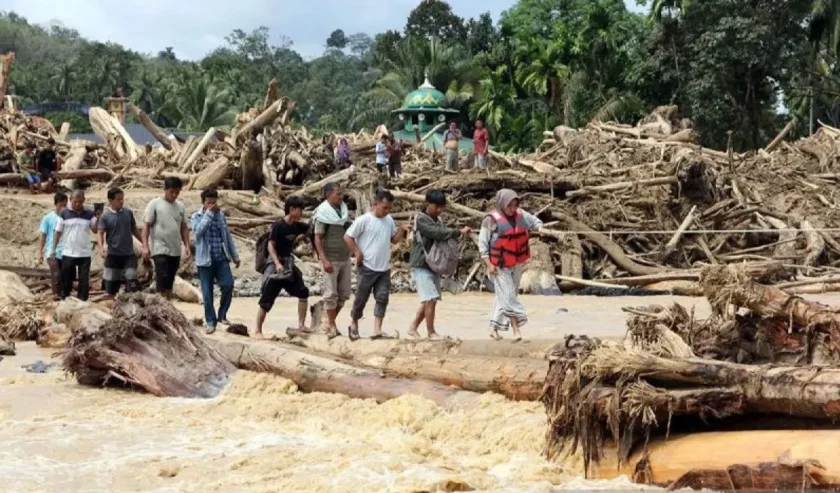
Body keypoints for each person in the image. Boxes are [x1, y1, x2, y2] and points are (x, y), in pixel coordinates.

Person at [344, 188, 409, 341]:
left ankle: (377, 329)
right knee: (361, 297)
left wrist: (401, 230)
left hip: (384, 267)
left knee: (382, 297)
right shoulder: (363, 220)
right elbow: (347, 237)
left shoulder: (389, 220)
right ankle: (354, 324)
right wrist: (357, 253)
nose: (387, 211)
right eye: (384, 207)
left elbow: (393, 240)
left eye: (389, 208)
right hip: (367, 266)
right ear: (375, 204)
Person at [479, 189, 543, 342]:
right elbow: (482, 244)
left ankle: (492, 328)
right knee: (508, 295)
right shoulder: (490, 220)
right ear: (502, 204)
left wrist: (540, 228)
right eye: (510, 206)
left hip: (516, 263)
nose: (513, 209)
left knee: (506, 296)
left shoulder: (521, 215)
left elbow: (534, 221)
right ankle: (516, 330)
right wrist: (489, 264)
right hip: (498, 265)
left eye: (515, 205)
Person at [407, 189, 471, 340]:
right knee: (430, 299)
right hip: (421, 263)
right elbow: (437, 233)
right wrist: (458, 232)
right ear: (428, 204)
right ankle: (431, 333)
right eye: (437, 207)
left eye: (442, 207)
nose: (440, 210)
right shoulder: (421, 219)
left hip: (433, 264)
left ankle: (413, 328)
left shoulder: (438, 219)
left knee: (431, 298)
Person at [255, 196, 310, 339]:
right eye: (300, 209)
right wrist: (277, 264)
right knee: (267, 297)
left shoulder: (297, 226)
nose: (302, 212)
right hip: (276, 264)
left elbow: (311, 228)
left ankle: (301, 324)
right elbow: (270, 245)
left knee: (303, 292)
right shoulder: (278, 225)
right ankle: (257, 330)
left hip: (289, 264)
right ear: (291, 209)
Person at [191, 188, 240, 334]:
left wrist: (235, 256)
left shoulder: (221, 216)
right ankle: (210, 322)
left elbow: (227, 237)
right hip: (204, 261)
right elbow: (198, 233)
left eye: (214, 202)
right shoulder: (197, 216)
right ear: (203, 203)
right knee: (207, 294)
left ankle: (222, 315)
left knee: (228, 285)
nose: (212, 205)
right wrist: (208, 215)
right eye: (208, 203)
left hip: (220, 258)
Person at [313, 182, 352, 338]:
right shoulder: (323, 213)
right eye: (337, 194)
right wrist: (324, 259)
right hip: (331, 258)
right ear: (328, 194)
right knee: (330, 294)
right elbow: (318, 238)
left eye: (341, 193)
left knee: (344, 294)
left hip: (345, 257)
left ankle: (329, 322)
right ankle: (331, 325)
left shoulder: (343, 211)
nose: (340, 196)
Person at [142, 177, 191, 298]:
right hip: (160, 248)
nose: (174, 195)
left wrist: (187, 245)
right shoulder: (155, 204)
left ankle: (166, 304)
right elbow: (146, 226)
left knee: (170, 280)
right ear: (165, 189)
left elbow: (184, 227)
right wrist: (145, 246)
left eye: (177, 192)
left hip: (175, 249)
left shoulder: (180, 206)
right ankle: (159, 303)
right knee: (162, 277)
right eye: (172, 192)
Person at [53, 189, 99, 301]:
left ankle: (82, 301)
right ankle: (65, 299)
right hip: (68, 252)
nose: (77, 204)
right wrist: (53, 248)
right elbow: (58, 232)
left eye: (80, 202)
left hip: (84, 253)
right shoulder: (63, 214)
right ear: (70, 200)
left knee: (84, 280)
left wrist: (98, 218)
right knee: (66, 279)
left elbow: (95, 230)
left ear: (84, 200)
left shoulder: (89, 214)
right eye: (75, 202)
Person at [97, 187, 142, 297]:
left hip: (129, 254)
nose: (121, 201)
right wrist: (101, 248)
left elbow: (134, 229)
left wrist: (144, 243)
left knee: (131, 281)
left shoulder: (128, 213)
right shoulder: (105, 216)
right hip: (113, 255)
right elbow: (100, 233)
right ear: (111, 200)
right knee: (111, 288)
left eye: (122, 199)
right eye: (118, 199)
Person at [38, 192, 67, 299]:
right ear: (55, 204)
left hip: (66, 252)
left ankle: (64, 296)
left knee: (65, 276)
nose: (62, 208)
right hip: (52, 252)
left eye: (65, 205)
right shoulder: (48, 218)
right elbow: (43, 236)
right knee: (56, 275)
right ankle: (56, 297)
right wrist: (40, 252)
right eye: (60, 205)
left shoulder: (68, 218)